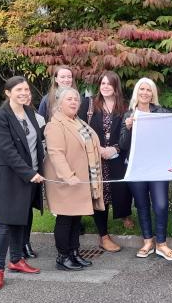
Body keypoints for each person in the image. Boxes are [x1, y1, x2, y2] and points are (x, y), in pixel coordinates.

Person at [0, 76, 44, 290]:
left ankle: (17, 260)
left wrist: (39, 170)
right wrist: (29, 173)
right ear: (8, 93)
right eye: (18, 89)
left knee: (22, 218)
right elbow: (8, 151)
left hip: (30, 175)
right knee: (4, 224)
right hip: (8, 177)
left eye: (26, 89)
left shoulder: (30, 112)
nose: (24, 93)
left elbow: (37, 145)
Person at [44, 87, 105, 271]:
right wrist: (68, 176)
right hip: (65, 181)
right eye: (69, 99)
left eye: (76, 99)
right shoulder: (55, 125)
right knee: (65, 219)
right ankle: (63, 257)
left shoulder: (78, 122)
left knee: (76, 219)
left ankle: (74, 252)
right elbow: (56, 153)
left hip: (81, 179)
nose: (73, 102)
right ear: (59, 103)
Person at [78, 71, 134, 253]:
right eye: (102, 83)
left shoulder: (125, 108)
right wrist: (97, 149)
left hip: (117, 156)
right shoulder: (89, 105)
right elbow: (80, 129)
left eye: (109, 83)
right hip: (95, 157)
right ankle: (103, 236)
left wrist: (115, 149)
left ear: (116, 86)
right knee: (100, 194)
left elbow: (129, 135)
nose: (105, 86)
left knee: (121, 189)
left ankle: (124, 214)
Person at [118, 78, 172, 261]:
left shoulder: (161, 112)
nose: (144, 92)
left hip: (157, 167)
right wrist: (127, 128)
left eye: (148, 90)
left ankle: (162, 243)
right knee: (142, 205)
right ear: (136, 92)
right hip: (137, 168)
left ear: (153, 93)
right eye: (141, 89)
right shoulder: (129, 115)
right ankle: (148, 241)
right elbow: (122, 145)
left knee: (161, 204)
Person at [20, 91, 46, 259]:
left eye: (28, 93)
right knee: (16, 211)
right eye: (22, 92)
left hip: (34, 171)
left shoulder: (39, 119)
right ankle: (17, 247)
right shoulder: (7, 117)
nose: (26, 95)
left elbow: (43, 144)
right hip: (16, 172)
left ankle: (26, 242)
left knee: (28, 210)